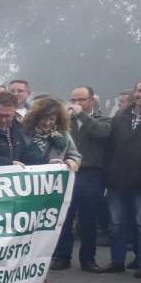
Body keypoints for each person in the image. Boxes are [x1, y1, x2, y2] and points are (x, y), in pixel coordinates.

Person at [100, 79, 141, 277]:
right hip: (118, 181)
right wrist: (109, 173)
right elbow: (109, 149)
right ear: (134, 93)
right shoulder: (120, 117)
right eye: (140, 90)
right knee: (117, 223)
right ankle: (117, 261)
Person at [22, 97, 81, 283]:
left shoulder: (63, 135)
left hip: (50, 194)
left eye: (52, 119)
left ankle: (38, 275)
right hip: (27, 190)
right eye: (44, 118)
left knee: (44, 235)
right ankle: (16, 273)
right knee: (24, 234)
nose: (47, 123)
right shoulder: (24, 133)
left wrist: (71, 161)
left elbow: (75, 154)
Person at [50, 86, 110, 272]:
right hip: (68, 172)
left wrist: (82, 116)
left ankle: (88, 259)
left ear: (91, 100)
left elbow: (102, 133)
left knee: (88, 219)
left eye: (81, 100)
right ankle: (62, 256)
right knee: (65, 217)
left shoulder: (103, 119)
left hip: (90, 173)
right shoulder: (65, 121)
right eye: (73, 100)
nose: (76, 104)